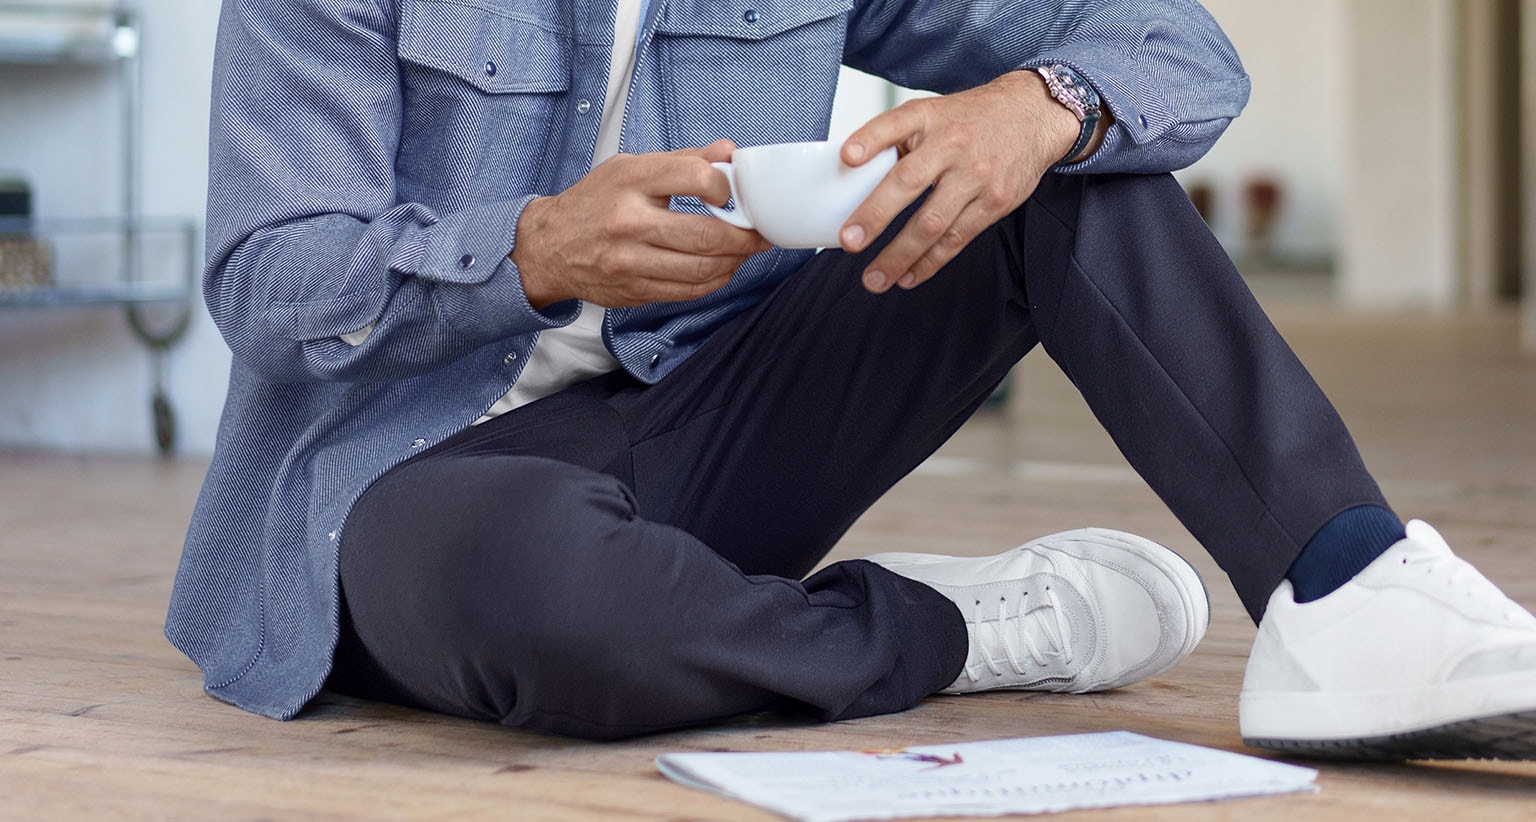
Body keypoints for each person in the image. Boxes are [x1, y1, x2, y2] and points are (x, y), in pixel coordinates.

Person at [168, 0, 1536, 760]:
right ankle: (946, 625)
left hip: (700, 417)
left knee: (1067, 165)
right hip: (402, 487)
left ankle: (1345, 584)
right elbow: (271, 279)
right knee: (539, 586)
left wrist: (1034, 105)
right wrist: (529, 253)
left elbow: (1172, 47)